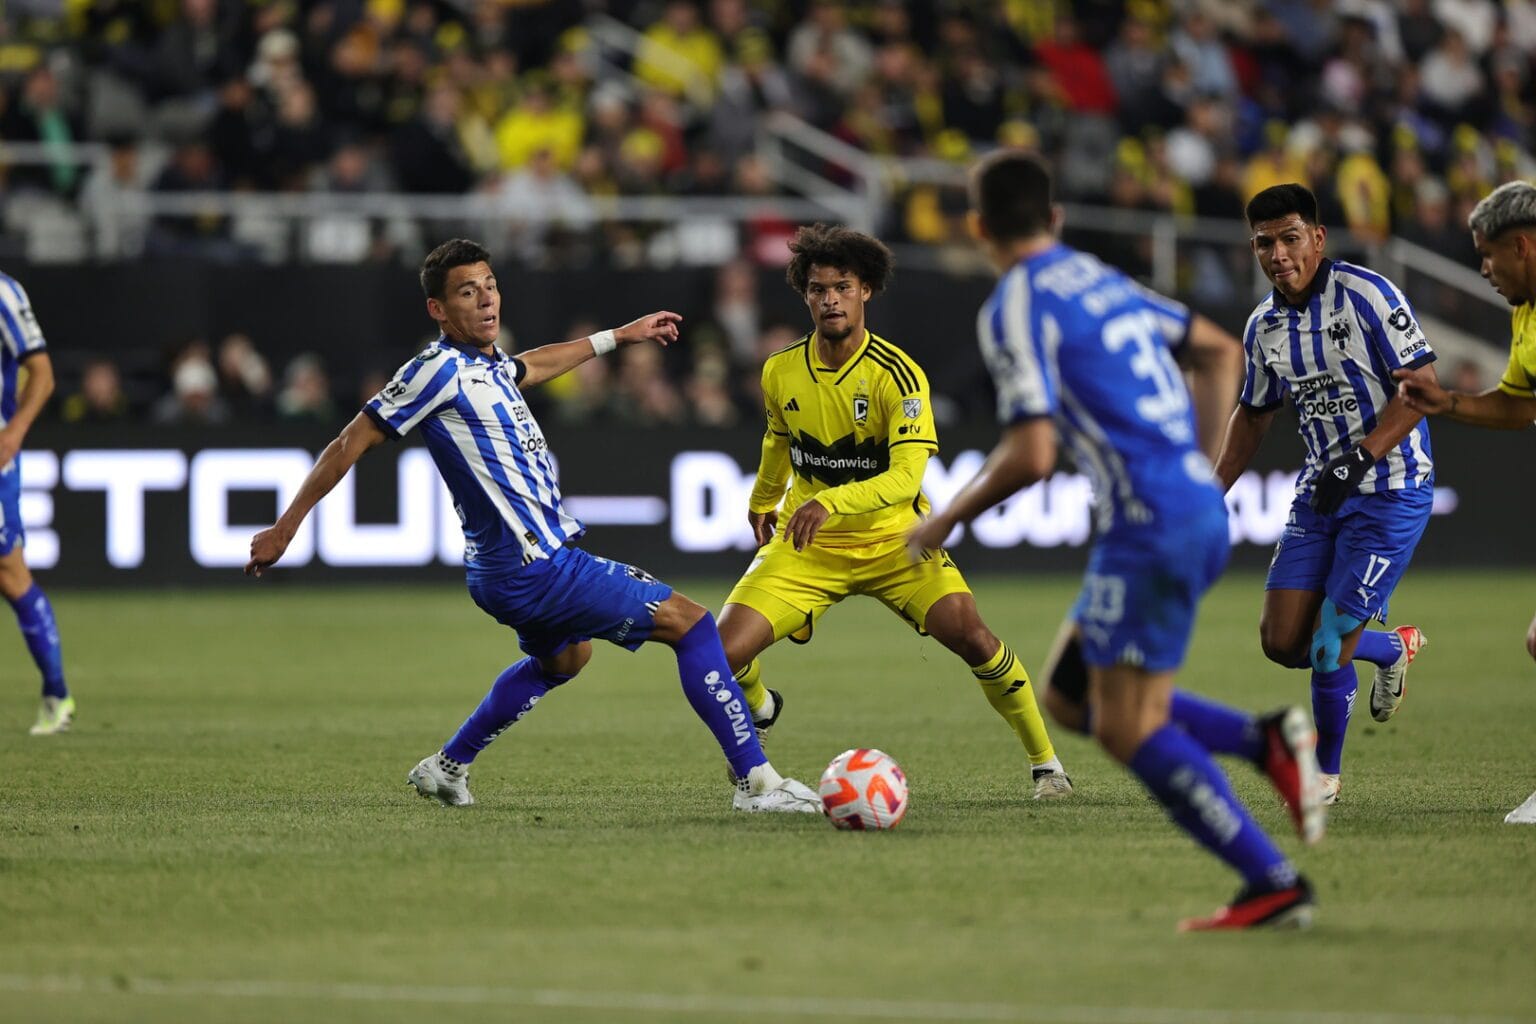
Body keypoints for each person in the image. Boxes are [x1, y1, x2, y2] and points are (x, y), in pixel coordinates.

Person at [245, 238, 819, 815]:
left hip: (501, 571)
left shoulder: (487, 363)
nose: (487, 299)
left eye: (490, 285)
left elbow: (535, 365)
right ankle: (757, 784)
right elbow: (350, 441)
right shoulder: (435, 370)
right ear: (438, 310)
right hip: (537, 567)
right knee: (693, 627)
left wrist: (618, 335)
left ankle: (448, 767)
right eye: (468, 292)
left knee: (567, 660)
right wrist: (285, 528)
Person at [909, 152, 1324, 930]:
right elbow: (1217, 351)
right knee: (1071, 697)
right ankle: (1263, 739)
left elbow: (1032, 454)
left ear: (979, 229)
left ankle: (1270, 879)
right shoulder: (1099, 278)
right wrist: (1201, 469)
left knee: (1128, 725)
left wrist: (946, 515)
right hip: (1183, 511)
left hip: (1149, 527)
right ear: (1055, 219)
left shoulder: (1015, 303)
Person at [716, 223, 1072, 800]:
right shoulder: (779, 368)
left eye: (842, 287)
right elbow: (778, 439)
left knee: (975, 639)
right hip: (810, 548)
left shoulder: (898, 376)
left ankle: (1047, 766)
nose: (829, 298)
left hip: (897, 543)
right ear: (804, 294)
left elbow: (906, 477)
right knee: (718, 654)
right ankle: (760, 705)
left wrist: (829, 500)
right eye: (817, 288)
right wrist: (763, 500)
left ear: (867, 292)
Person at [1214, 184, 1437, 807]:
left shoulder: (1368, 294)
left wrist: (1365, 454)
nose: (1278, 254)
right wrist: (1212, 492)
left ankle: (1325, 774)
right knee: (1282, 642)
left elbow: (1420, 385)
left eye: (1290, 238)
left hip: (1390, 488)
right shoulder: (1264, 325)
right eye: (1265, 243)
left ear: (1317, 237)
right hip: (1321, 494)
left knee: (1325, 643)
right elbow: (1253, 414)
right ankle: (1392, 646)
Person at [1393, 179, 1536, 825]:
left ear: (1523, 245)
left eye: (1487, 254)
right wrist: (1447, 402)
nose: (1483, 268)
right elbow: (1517, 406)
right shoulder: (1526, 313)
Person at [0, 272, 71, 735]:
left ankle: (57, 693)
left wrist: (13, 434)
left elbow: (42, 375)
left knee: (9, 572)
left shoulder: (4, 293)